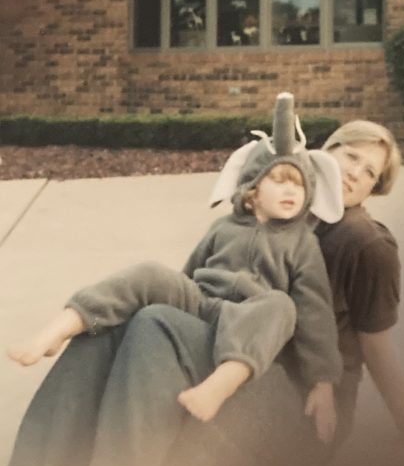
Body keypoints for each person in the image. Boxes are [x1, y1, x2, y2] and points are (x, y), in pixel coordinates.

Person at [0, 113, 404, 466]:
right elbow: (192, 285)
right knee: (110, 326)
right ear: (324, 156)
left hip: (297, 408)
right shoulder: (279, 207)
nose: (356, 171)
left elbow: (376, 346)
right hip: (230, 358)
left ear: (375, 187)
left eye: (370, 171)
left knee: (155, 324)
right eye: (350, 155)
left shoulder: (365, 244)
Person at [7, 93, 343, 429]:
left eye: (300, 186)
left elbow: (317, 315)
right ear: (252, 189)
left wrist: (323, 383)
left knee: (282, 306)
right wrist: (167, 297)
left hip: (247, 318)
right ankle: (61, 328)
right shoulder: (223, 227)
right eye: (280, 180)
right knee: (151, 273)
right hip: (201, 304)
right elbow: (188, 275)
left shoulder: (303, 244)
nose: (291, 191)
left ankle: (220, 385)